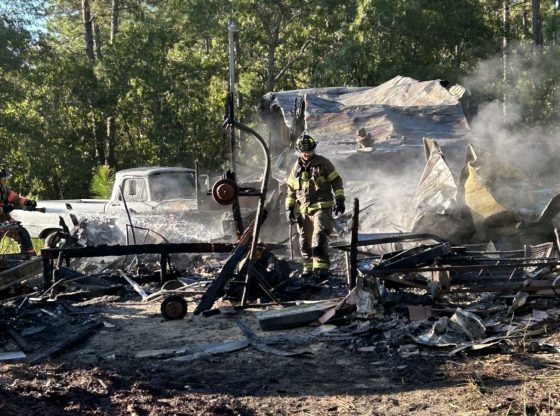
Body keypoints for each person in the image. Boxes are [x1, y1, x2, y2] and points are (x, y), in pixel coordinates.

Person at [285, 134, 345, 279]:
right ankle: (308, 267)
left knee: (319, 236)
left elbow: (336, 181)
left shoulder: (323, 163)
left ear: (314, 149)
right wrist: (289, 208)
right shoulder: (296, 167)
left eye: (310, 151)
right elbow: (291, 189)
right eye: (304, 152)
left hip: (322, 207)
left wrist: (340, 199)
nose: (307, 154)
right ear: (299, 151)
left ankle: (321, 268)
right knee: (304, 240)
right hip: (304, 210)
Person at [0, 168, 37, 258]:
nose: (5, 180)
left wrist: (27, 202)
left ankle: (28, 256)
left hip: (3, 220)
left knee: (21, 232)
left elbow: (15, 199)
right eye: (3, 178)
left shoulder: (3, 188)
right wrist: (2, 209)